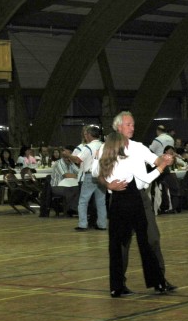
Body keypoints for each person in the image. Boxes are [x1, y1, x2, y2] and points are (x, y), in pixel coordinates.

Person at [97, 111, 177, 293]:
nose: (132, 128)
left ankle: (159, 280)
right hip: (119, 198)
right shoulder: (105, 148)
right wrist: (108, 184)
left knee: (152, 238)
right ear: (118, 127)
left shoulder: (138, 147)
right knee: (121, 244)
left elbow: (155, 160)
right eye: (128, 124)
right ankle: (119, 284)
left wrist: (164, 159)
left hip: (140, 197)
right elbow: (97, 173)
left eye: (133, 124)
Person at [70, 125, 107, 231]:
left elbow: (78, 160)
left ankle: (83, 224)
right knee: (101, 201)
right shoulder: (104, 145)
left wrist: (68, 156)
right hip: (102, 175)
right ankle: (102, 224)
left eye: (86, 134)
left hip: (90, 175)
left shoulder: (88, 147)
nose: (85, 136)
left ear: (90, 135)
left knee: (83, 201)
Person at [50, 146, 79, 214]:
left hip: (68, 184)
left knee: (79, 188)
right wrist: (78, 176)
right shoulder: (59, 163)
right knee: (73, 190)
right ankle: (72, 209)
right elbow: (66, 175)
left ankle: (73, 209)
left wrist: (78, 175)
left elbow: (78, 172)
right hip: (57, 186)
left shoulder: (71, 163)